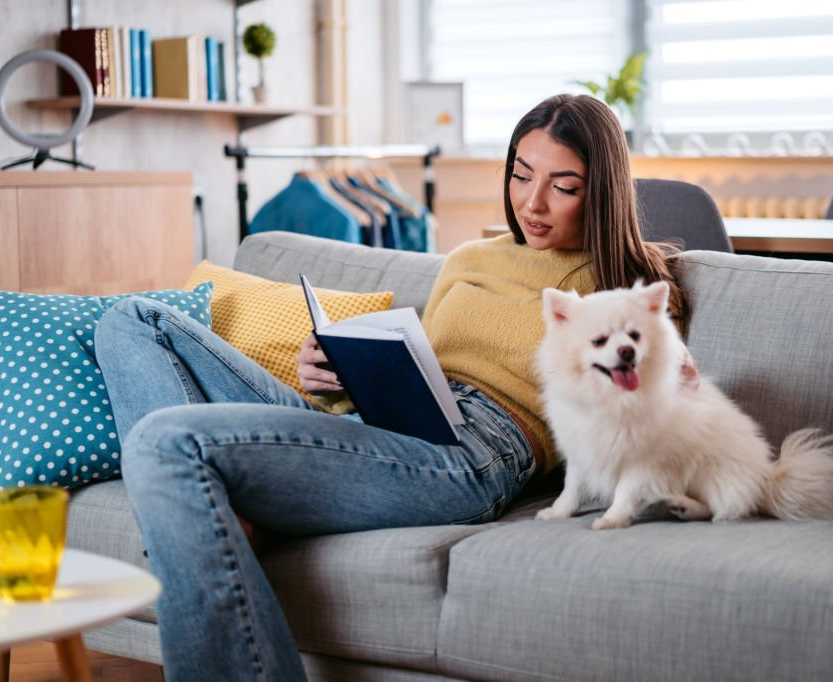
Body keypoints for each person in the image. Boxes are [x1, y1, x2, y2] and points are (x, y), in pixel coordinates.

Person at [94, 93, 688, 682]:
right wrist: (333, 379)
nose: (532, 203)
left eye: (563, 186)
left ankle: (206, 506)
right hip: (385, 421)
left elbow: (635, 401)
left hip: (478, 451)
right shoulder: (471, 258)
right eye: (521, 175)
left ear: (602, 192)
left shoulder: (623, 287)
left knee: (163, 442)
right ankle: (217, 506)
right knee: (133, 320)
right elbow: (418, 366)